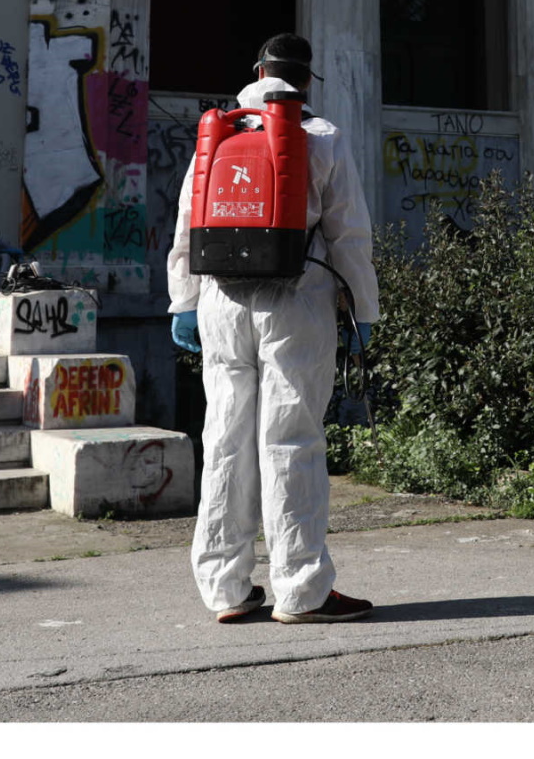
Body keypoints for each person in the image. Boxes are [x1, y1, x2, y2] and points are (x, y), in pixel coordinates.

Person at [167, 32, 381, 625]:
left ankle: (226, 589)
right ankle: (303, 590)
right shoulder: (322, 137)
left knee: (225, 439)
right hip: (296, 301)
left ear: (257, 70)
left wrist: (182, 302)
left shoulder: (221, 132)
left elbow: (187, 222)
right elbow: (349, 235)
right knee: (291, 440)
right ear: (305, 81)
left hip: (218, 303)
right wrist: (364, 311)